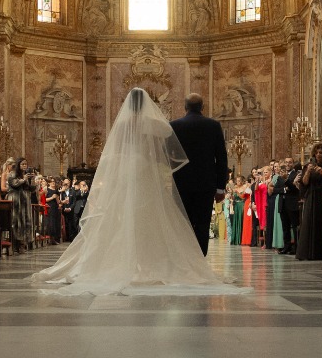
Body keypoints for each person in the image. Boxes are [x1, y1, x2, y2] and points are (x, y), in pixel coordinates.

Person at [32, 87, 246, 295]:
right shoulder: (159, 125)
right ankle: (174, 261)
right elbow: (168, 154)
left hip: (130, 173)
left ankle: (125, 260)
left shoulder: (125, 124)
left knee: (125, 216)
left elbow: (115, 154)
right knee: (156, 218)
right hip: (151, 172)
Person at [168, 92, 229, 256]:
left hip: (181, 184)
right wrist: (220, 188)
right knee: (202, 224)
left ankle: (184, 259)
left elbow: (167, 155)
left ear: (185, 107)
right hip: (206, 184)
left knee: (182, 224)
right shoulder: (213, 125)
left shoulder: (174, 125)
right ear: (203, 107)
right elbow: (221, 157)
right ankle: (200, 261)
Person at [294, 142, 322, 260]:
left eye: (321, 152)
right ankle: (309, 253)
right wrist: (308, 171)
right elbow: (304, 183)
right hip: (311, 197)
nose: (318, 154)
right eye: (316, 153)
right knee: (309, 222)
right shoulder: (308, 166)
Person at [6, 157, 35, 252]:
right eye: (22, 164)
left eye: (26, 164)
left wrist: (33, 180)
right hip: (16, 200)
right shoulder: (12, 174)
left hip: (25, 200)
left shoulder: (26, 175)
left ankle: (24, 243)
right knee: (16, 222)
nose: (24, 166)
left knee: (25, 221)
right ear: (18, 165)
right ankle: (16, 243)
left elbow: (31, 189)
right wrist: (23, 179)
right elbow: (14, 184)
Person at [277, 157, 300, 254]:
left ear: (293, 164)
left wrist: (287, 181)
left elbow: (295, 189)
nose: (287, 164)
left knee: (294, 227)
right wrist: (285, 189)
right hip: (282, 204)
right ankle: (287, 247)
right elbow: (275, 190)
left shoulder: (296, 175)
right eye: (286, 162)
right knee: (285, 227)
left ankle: (296, 247)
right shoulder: (280, 176)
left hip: (292, 204)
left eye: (290, 162)